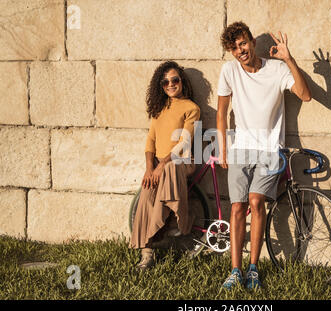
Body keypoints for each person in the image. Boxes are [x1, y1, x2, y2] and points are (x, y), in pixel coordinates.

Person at [216, 22, 311, 289]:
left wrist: (289, 59)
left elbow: (305, 95)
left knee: (256, 202)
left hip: (270, 150)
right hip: (241, 148)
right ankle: (235, 270)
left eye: (243, 43)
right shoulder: (229, 70)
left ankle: (253, 269)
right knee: (237, 207)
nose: (240, 50)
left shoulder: (277, 69)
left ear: (252, 42)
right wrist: (223, 148)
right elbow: (221, 113)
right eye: (234, 48)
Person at [130, 61, 200, 270]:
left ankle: (177, 221)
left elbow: (185, 142)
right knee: (147, 194)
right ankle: (147, 254)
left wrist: (162, 165)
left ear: (182, 82)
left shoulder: (191, 108)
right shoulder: (158, 109)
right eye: (166, 82)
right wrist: (149, 168)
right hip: (159, 164)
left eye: (175, 80)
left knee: (168, 169)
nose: (171, 84)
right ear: (160, 85)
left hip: (181, 161)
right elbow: (150, 140)